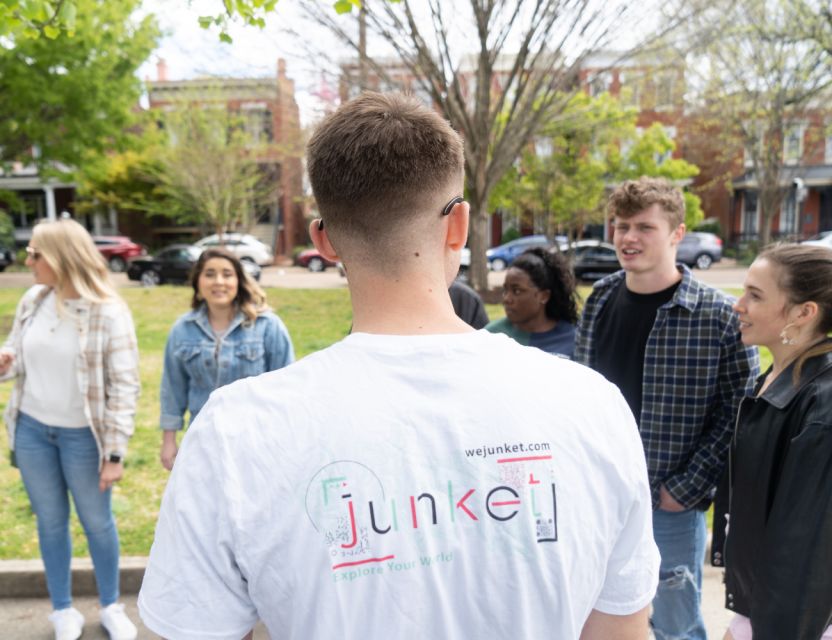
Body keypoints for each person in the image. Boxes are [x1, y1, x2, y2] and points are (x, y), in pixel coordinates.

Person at [139, 92, 659, 639]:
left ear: (324, 239)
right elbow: (620, 630)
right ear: (457, 226)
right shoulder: (591, 405)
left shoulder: (235, 433)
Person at [574, 177, 759, 640]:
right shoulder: (599, 298)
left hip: (670, 505)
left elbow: (738, 414)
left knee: (675, 625)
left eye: (644, 227)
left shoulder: (718, 316)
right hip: (598, 496)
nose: (627, 238)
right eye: (620, 226)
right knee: (599, 619)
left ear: (677, 234)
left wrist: (687, 488)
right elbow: (578, 390)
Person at [0, 219, 140, 640]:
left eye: (35, 254)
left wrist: (114, 454)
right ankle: (63, 610)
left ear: (61, 258)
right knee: (50, 522)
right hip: (32, 432)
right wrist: (6, 360)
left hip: (85, 439)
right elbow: (19, 352)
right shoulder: (33, 299)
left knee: (97, 522)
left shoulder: (108, 312)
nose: (28, 261)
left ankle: (111, 605)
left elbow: (125, 386)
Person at [722, 244, 832, 640]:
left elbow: (805, 554)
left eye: (755, 295)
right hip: (762, 611)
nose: (738, 305)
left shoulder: (823, 405)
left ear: (804, 313)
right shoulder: (773, 379)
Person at [159, 247, 294, 470]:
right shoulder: (182, 330)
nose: (218, 281)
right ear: (198, 282)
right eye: (209, 274)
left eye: (227, 274)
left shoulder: (268, 326)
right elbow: (172, 389)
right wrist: (168, 440)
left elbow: (287, 390)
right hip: (202, 444)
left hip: (256, 443)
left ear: (238, 281)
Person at [486, 247, 578, 357]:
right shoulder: (490, 335)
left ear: (544, 296)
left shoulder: (573, 339)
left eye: (517, 291)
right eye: (506, 290)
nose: (507, 299)